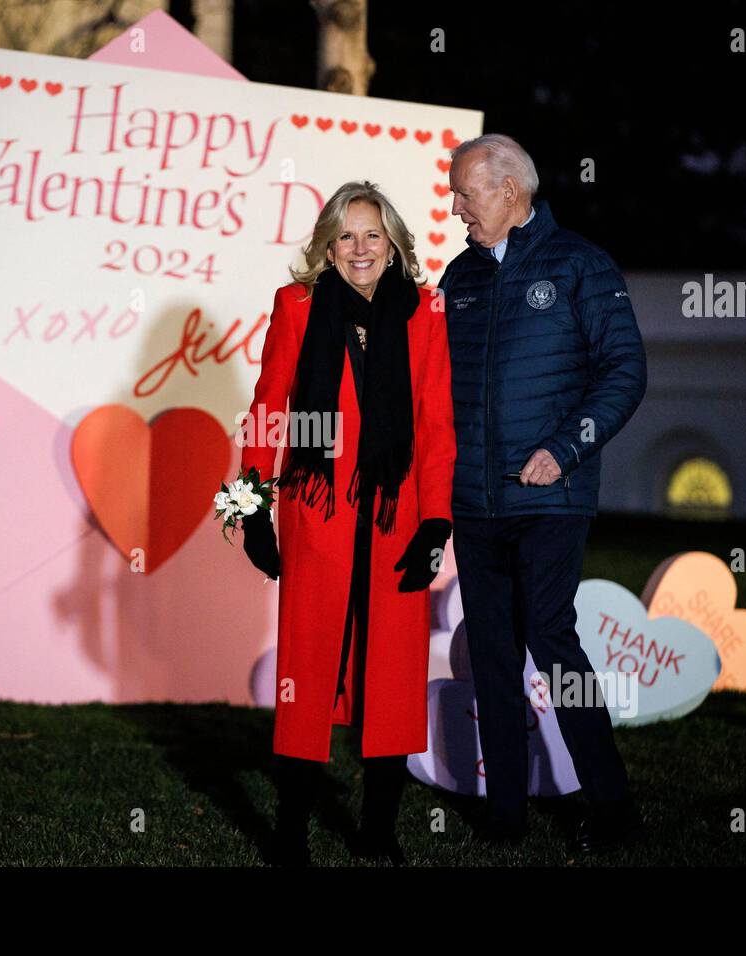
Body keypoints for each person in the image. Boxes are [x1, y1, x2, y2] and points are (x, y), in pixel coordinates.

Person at [438, 134, 649, 853]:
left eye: (465, 191)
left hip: (550, 501)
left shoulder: (580, 264)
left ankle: (613, 807)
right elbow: (437, 391)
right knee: (491, 652)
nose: (455, 204)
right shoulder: (458, 276)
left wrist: (564, 449)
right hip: (474, 503)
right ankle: (505, 816)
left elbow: (624, 372)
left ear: (509, 191)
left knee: (554, 643)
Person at [237, 181, 456, 866]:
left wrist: (436, 523)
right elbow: (270, 405)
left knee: (392, 672)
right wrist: (251, 509)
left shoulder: (425, 311)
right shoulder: (297, 306)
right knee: (307, 666)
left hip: (398, 519)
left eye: (372, 235)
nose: (359, 249)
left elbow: (436, 425)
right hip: (318, 511)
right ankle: (290, 830)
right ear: (327, 246)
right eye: (346, 236)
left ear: (393, 244)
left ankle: (377, 831)